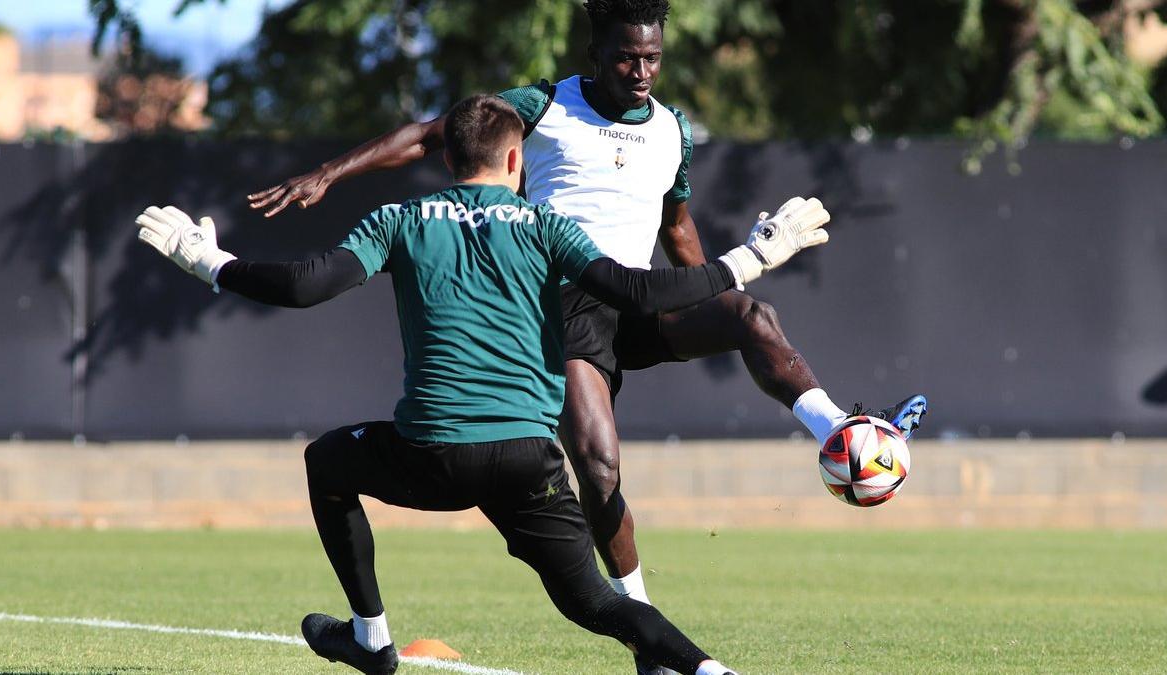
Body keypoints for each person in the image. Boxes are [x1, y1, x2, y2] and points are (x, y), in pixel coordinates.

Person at [247, 2, 926, 672]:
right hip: (564, 305)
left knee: (751, 316)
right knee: (598, 465)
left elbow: (679, 229)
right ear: (594, 54)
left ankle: (841, 429)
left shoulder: (673, 130)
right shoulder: (541, 106)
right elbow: (433, 133)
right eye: (627, 56)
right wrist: (329, 174)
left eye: (653, 57)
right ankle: (647, 639)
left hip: (636, 297)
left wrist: (719, 287)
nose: (641, 70)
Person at [135, 94, 830, 675]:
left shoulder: (401, 220)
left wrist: (210, 261)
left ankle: (372, 639)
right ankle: (709, 669)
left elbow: (304, 285)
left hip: (430, 455)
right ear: (515, 160)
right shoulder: (542, 224)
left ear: (447, 159)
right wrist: (754, 255)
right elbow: (638, 290)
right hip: (529, 459)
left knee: (327, 461)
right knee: (596, 602)